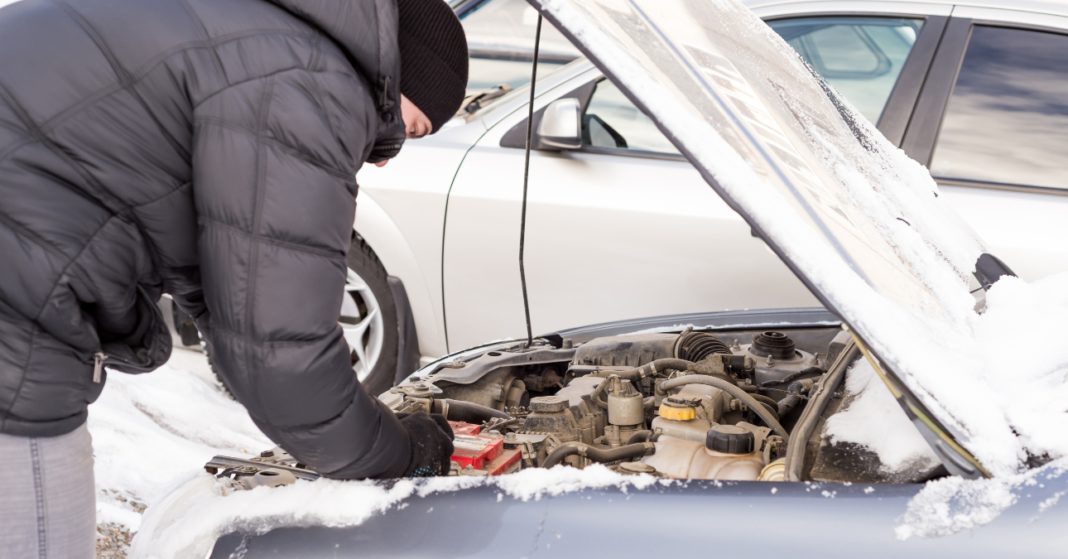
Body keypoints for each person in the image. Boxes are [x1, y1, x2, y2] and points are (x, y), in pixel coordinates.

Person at [0, 0, 467, 555]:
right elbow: (280, 356)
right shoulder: (308, 78)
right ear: (397, 77)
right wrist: (403, 454)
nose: (386, 154)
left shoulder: (245, 29)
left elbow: (237, 303)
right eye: (406, 128)